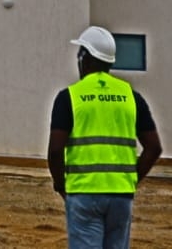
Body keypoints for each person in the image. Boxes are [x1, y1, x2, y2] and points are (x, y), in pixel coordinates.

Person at [46, 26, 163, 249]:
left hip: (84, 193)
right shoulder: (131, 96)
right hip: (121, 195)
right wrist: (130, 179)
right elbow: (154, 147)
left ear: (85, 58)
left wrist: (61, 186)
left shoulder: (70, 97)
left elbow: (55, 150)